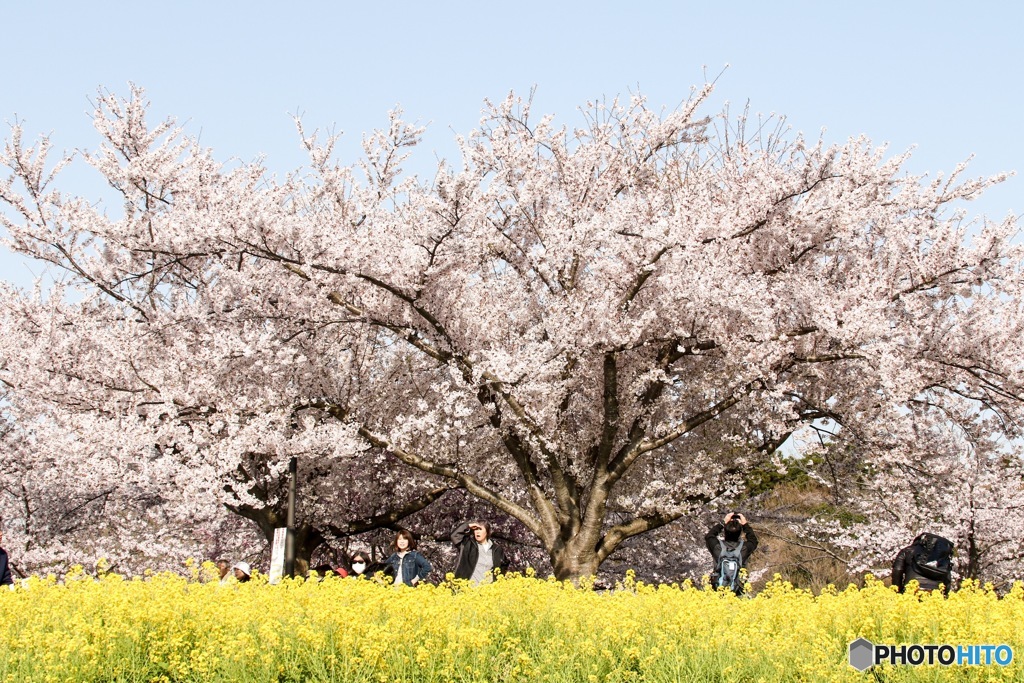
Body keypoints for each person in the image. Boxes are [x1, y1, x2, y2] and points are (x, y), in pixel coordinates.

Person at [705, 512, 758, 595]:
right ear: (740, 533)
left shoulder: (717, 548)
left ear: (725, 531)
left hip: (717, 590)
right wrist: (745, 525)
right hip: (737, 591)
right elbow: (753, 540)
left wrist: (723, 523)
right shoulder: (743, 549)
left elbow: (709, 536)